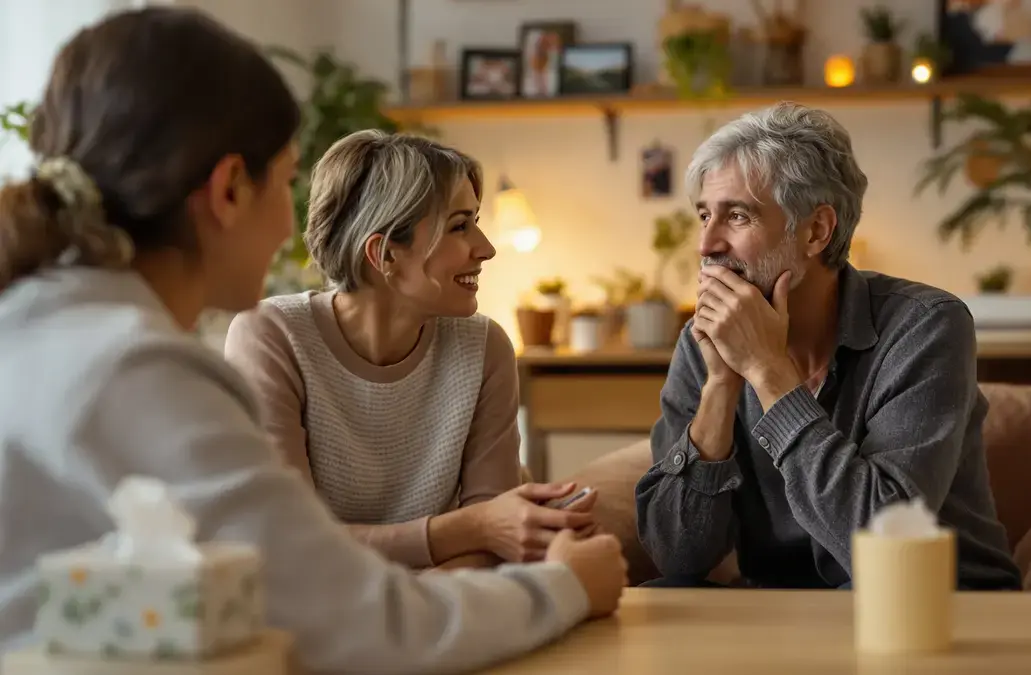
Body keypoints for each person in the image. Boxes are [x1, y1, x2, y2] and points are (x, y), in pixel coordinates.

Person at [0, 7, 626, 674]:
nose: (292, 227)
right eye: (290, 180)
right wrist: (565, 586)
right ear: (230, 189)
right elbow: (350, 621)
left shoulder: (45, 323)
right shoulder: (135, 367)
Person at [634, 102, 1022, 591]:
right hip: (787, 614)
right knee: (664, 594)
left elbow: (886, 545)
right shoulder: (706, 342)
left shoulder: (925, 327)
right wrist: (720, 385)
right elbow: (677, 554)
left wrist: (769, 372)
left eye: (737, 216)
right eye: (704, 215)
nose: (707, 244)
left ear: (816, 230)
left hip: (930, 601)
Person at [224, 131, 598, 571]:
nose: (486, 248)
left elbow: (496, 546)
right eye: (460, 226)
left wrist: (474, 546)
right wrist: (472, 527)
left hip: (442, 615)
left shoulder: (484, 349)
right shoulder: (272, 336)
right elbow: (291, 541)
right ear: (385, 255)